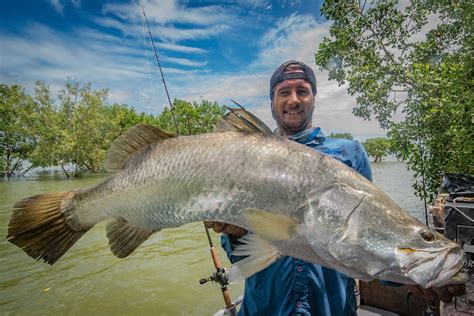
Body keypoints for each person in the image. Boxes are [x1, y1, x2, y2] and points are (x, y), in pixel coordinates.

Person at [205, 60, 465, 315]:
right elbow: (238, 256)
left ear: (314, 99)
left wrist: (407, 274)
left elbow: (365, 239)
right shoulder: (243, 159)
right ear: (272, 101)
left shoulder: (349, 154)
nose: (293, 99)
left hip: (330, 307)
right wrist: (235, 233)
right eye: (284, 92)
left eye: (303, 91)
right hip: (265, 306)